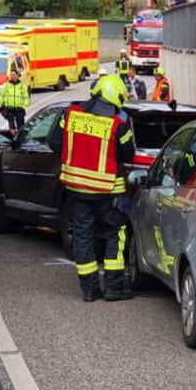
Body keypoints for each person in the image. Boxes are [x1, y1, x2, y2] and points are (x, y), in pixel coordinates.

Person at [48, 75, 136, 303]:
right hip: (107, 191)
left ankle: (89, 290)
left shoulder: (71, 113)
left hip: (77, 189)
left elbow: (54, 143)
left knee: (83, 236)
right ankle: (113, 287)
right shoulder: (118, 124)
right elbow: (128, 154)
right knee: (115, 233)